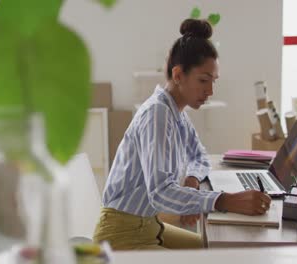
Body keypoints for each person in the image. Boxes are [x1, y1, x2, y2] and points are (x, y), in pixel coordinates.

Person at [93, 18, 271, 250]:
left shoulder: (176, 113)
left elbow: (200, 156)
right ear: (178, 75)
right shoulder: (157, 114)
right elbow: (160, 193)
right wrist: (224, 200)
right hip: (121, 235)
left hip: (149, 225)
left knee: (216, 250)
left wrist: (192, 181)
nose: (210, 91)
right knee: (218, 255)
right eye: (203, 80)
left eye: (213, 81)